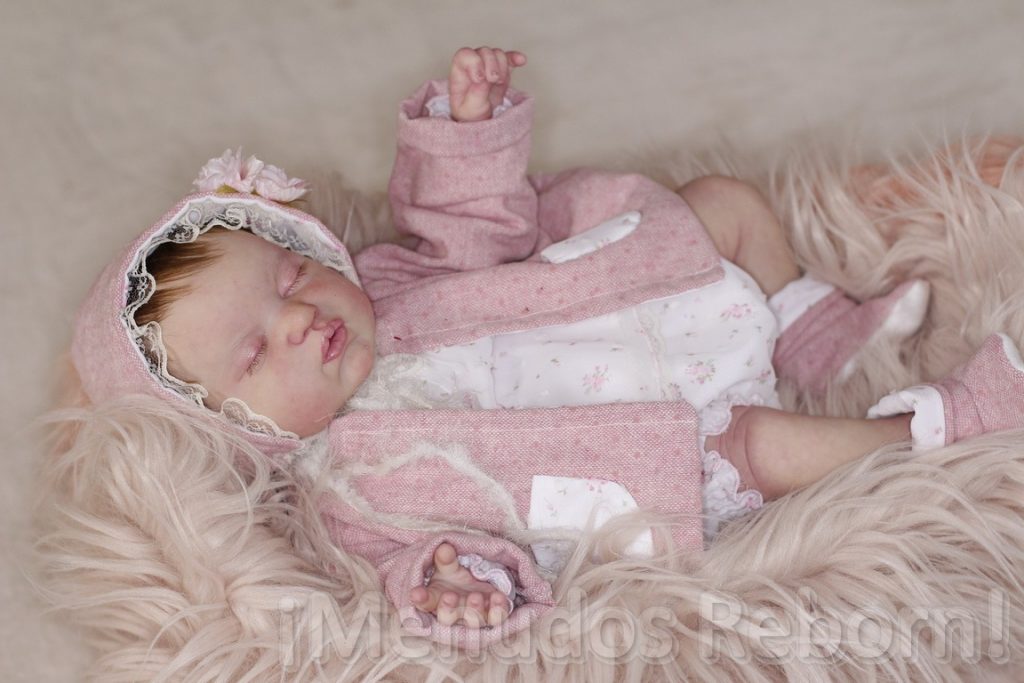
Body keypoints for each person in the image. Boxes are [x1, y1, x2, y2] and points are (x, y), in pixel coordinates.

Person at [68, 46, 1024, 645]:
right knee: (757, 443)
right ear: (237, 426)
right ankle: (934, 430)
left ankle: (818, 337)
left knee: (725, 205)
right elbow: (415, 564)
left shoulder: (385, 284)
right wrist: (457, 583)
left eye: (288, 277)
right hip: (654, 444)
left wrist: (466, 134)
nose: (296, 319)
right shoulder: (348, 493)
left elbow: (469, 229)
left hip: (639, 317)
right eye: (253, 356)